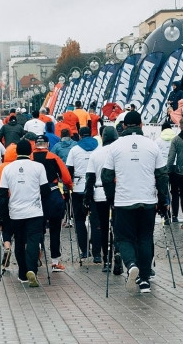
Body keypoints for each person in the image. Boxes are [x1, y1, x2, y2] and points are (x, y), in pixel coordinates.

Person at [102, 111, 166, 294]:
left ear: (123, 126)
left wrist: (111, 198)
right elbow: (162, 175)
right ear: (141, 124)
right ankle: (144, 280)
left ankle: (131, 265)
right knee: (145, 238)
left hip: (124, 201)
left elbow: (106, 176)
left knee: (123, 238)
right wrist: (163, 201)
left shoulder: (115, 146)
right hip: (147, 201)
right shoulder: (152, 145)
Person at [0, 139, 50, 287]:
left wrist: (1, 217)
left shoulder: (7, 169)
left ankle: (22, 273)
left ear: (17, 152)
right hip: (35, 211)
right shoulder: (38, 167)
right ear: (30, 151)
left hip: (16, 212)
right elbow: (45, 191)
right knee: (33, 240)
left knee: (19, 242)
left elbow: (2, 194)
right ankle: (31, 269)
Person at [32, 134, 72, 272]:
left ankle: (36, 251)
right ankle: (55, 262)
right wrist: (69, 187)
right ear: (47, 145)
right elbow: (66, 177)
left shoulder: (30, 158)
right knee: (55, 229)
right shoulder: (54, 157)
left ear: (35, 145)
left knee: (37, 227)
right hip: (53, 194)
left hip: (36, 195)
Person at [85, 126, 119, 270]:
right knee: (118, 226)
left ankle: (106, 260)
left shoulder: (95, 154)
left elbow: (90, 178)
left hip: (100, 193)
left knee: (104, 228)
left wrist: (87, 198)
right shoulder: (118, 151)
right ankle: (117, 252)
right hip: (118, 192)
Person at [66, 126, 97, 262]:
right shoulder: (98, 148)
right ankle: (97, 253)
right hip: (95, 188)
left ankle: (84, 250)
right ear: (91, 134)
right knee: (96, 220)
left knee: (79, 220)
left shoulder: (74, 150)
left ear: (79, 136)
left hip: (79, 188)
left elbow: (69, 170)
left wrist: (68, 186)